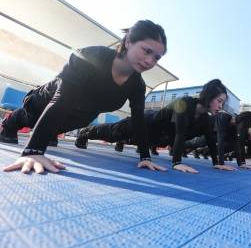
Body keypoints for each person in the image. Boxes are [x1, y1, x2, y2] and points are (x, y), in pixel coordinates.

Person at [1, 20, 167, 174]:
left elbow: (138, 121)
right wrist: (34, 151)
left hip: (79, 116)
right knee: (32, 117)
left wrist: (145, 157)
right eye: (147, 51)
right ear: (128, 41)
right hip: (46, 100)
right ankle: (11, 122)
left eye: (156, 58)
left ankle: (51, 131)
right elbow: (61, 100)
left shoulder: (137, 85)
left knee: (78, 120)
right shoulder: (92, 56)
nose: (150, 61)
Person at [74, 79, 235, 173]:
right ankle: (85, 132)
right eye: (219, 101)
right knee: (112, 133)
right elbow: (180, 132)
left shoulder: (204, 119)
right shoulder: (185, 103)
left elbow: (210, 140)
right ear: (209, 96)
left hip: (153, 137)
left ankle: (121, 140)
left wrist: (217, 163)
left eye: (222, 103)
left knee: (126, 139)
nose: (220, 106)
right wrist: (176, 162)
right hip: (145, 122)